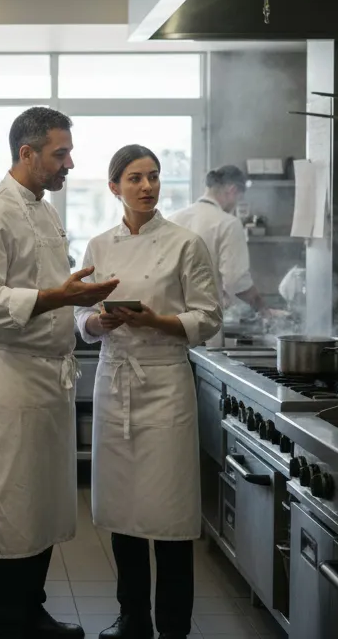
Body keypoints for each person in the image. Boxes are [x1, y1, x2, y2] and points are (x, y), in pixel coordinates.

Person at [0, 106, 119, 639]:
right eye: (60, 153)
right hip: (12, 380)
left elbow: (53, 294)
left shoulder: (45, 210)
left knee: (43, 505)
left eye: (69, 152)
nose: (69, 163)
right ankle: (5, 621)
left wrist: (86, 309)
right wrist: (60, 295)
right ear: (26, 153)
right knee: (12, 506)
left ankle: (31, 609)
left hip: (50, 379)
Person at [75, 145, 223, 639]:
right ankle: (133, 618)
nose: (147, 186)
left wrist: (155, 320)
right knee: (123, 513)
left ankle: (174, 627)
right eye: (135, 178)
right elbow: (78, 316)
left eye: (154, 177)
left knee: (171, 514)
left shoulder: (186, 243)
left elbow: (207, 317)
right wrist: (97, 319)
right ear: (114, 187)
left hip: (165, 384)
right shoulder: (98, 246)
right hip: (115, 380)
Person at [168, 164, 266, 344]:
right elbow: (237, 280)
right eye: (238, 198)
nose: (236, 205)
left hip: (169, 324)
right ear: (232, 190)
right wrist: (263, 308)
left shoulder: (173, 219)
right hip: (203, 329)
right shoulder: (228, 223)